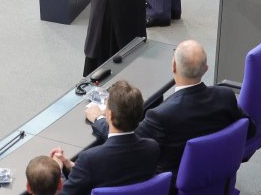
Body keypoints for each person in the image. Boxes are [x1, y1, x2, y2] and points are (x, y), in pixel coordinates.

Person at [86, 40, 249, 175]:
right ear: (206, 69)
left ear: (173, 67)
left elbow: (127, 146)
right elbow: (249, 129)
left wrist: (99, 118)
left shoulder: (161, 115)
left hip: (171, 188)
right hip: (215, 174)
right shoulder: (225, 96)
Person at [50, 81, 160, 195]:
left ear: (110, 115)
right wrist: (72, 166)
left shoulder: (89, 159)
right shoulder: (152, 148)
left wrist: (58, 170)